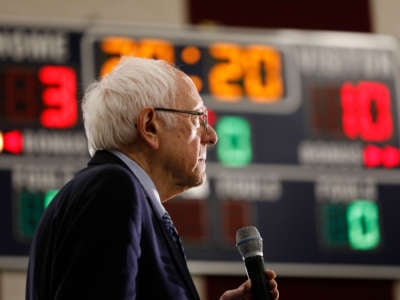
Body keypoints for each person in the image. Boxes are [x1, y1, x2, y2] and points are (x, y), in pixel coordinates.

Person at [26, 56, 279, 300]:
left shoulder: (104, 190)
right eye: (198, 118)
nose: (212, 136)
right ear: (149, 126)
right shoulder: (113, 189)